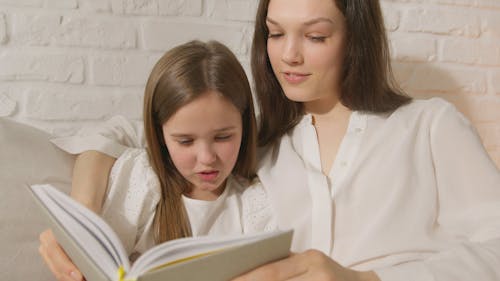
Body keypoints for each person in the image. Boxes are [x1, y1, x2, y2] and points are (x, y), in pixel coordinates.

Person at [41, 0, 500, 280]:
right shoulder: (256, 146)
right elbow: (123, 134)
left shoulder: (428, 126)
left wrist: (366, 279)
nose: (289, 55)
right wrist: (80, 221)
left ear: (354, 39)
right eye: (275, 34)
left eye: (315, 36)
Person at [38, 40, 277, 281]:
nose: (206, 158)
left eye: (223, 137)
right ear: (161, 135)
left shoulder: (254, 203)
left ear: (245, 127)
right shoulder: (142, 182)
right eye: (185, 141)